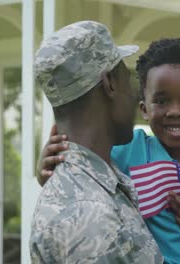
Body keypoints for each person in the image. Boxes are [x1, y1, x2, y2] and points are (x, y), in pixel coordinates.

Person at [37, 37, 180, 264]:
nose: (174, 111)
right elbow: (85, 173)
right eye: (161, 101)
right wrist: (50, 167)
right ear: (143, 108)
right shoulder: (127, 152)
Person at [30, 21, 163, 263]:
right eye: (128, 79)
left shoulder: (94, 185)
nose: (135, 95)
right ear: (110, 83)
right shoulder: (90, 215)